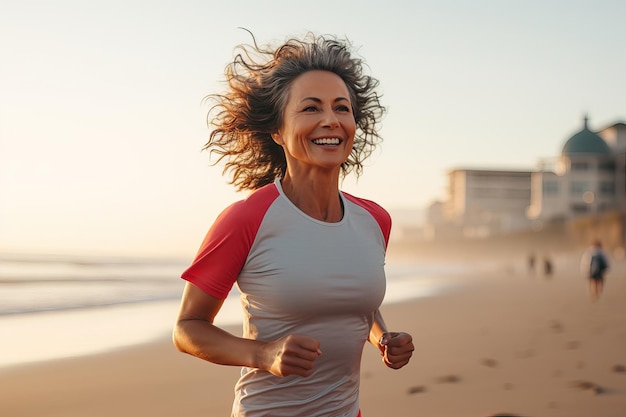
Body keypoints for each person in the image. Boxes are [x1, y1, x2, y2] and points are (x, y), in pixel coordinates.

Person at [172, 32, 414, 417]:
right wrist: (262, 353)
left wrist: (382, 336)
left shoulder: (375, 220)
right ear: (277, 131)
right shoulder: (247, 218)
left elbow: (352, 305)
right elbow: (188, 328)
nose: (330, 120)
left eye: (342, 108)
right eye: (311, 108)